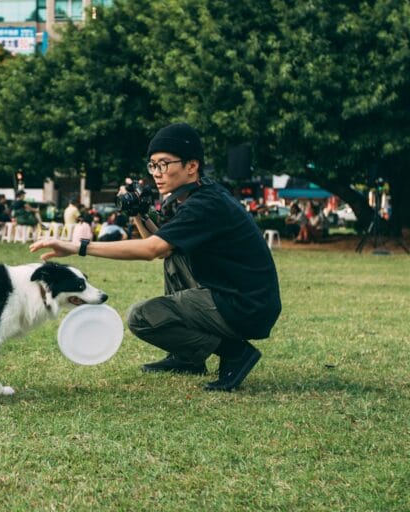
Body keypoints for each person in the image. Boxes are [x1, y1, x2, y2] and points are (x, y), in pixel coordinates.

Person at [31, 122, 281, 392]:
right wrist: (138, 212)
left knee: (142, 317)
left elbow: (152, 249)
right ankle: (187, 357)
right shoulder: (193, 195)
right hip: (237, 294)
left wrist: (77, 246)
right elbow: (163, 245)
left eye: (164, 164)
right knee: (174, 255)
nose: (157, 173)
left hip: (244, 305)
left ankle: (234, 352)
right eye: (152, 165)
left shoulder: (205, 204)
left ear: (191, 166)